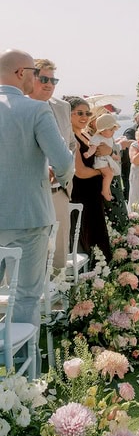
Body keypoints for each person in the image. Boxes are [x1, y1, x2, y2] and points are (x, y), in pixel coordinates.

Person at [0, 49, 73, 367]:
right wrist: (59, 174)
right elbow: (64, 162)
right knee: (27, 296)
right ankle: (20, 371)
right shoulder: (35, 110)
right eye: (33, 72)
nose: (36, 78)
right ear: (21, 73)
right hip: (29, 217)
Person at [30, 58, 76, 270]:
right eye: (44, 79)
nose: (49, 84)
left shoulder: (63, 107)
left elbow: (71, 144)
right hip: (29, 195)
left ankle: (58, 292)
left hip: (59, 192)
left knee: (58, 257)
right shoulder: (17, 107)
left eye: (53, 80)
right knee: (31, 257)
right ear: (31, 78)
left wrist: (63, 171)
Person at [68, 97, 112, 259]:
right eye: (79, 113)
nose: (84, 117)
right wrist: (102, 172)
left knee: (98, 234)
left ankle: (102, 268)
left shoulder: (86, 135)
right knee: (88, 235)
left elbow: (105, 151)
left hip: (94, 194)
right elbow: (80, 171)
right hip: (82, 194)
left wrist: (109, 151)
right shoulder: (71, 138)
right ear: (68, 114)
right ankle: (93, 270)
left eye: (87, 113)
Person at [84, 112, 121, 201]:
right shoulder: (97, 138)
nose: (113, 132)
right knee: (109, 174)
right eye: (111, 130)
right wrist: (88, 153)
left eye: (113, 130)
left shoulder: (109, 138)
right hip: (101, 161)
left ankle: (107, 191)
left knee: (107, 175)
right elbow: (93, 148)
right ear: (102, 130)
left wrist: (113, 155)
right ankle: (105, 191)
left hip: (105, 160)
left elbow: (109, 151)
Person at [118, 111, 139, 201]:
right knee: (129, 190)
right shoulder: (130, 131)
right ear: (135, 119)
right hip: (128, 165)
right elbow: (126, 144)